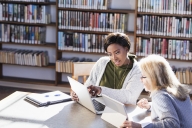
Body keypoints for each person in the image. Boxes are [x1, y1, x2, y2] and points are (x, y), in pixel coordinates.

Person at [71, 32, 144, 105]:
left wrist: (100, 90)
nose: (114, 58)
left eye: (117, 52)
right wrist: (79, 94)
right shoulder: (102, 62)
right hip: (98, 106)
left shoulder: (139, 70)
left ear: (126, 49)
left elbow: (129, 97)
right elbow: (89, 85)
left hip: (122, 112)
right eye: (110, 54)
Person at [121, 54, 192, 128]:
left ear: (153, 78)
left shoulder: (160, 95)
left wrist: (140, 126)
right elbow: (174, 108)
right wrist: (151, 106)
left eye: (143, 76)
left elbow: (172, 124)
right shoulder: (178, 89)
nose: (140, 80)